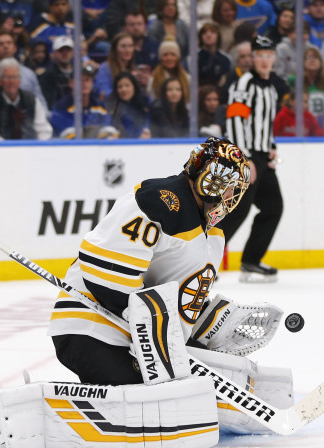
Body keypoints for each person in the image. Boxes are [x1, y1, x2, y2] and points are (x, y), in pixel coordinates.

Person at [44, 136, 293, 438]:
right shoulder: (160, 200)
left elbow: (177, 303)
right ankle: (57, 421)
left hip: (134, 340)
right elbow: (104, 272)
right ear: (212, 182)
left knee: (189, 397)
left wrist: (215, 323)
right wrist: (154, 332)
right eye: (229, 188)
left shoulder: (211, 235)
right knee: (159, 406)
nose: (231, 196)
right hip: (91, 329)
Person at [222, 35, 284, 283]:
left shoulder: (270, 88)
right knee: (238, 210)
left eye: (269, 56)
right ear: (253, 58)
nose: (265, 60)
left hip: (261, 155)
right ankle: (202, 261)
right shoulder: (244, 84)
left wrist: (271, 147)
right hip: (246, 155)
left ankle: (250, 260)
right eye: (260, 56)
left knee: (273, 207)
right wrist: (244, 158)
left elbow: (264, 124)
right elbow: (235, 120)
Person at [0, 58, 53, 140]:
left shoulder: (32, 100)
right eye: (7, 78)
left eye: (15, 77)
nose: (12, 81)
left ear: (20, 80)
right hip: (1, 150)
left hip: (30, 148)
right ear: (0, 81)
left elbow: (43, 130)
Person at [0, 30, 46, 107]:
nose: (5, 46)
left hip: (29, 114)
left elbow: (40, 99)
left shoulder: (29, 73)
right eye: (1, 44)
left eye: (9, 43)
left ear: (15, 48)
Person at [52, 64, 117, 139]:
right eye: (80, 80)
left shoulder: (100, 105)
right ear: (71, 83)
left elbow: (108, 128)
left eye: (87, 80)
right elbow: (67, 135)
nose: (84, 84)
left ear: (92, 83)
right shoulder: (61, 107)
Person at [287, 47, 324, 120]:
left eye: (316, 57)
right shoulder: (295, 80)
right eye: (308, 57)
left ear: (321, 63)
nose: (312, 60)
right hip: (302, 121)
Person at [105, 71, 151, 139]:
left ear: (134, 87)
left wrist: (146, 131)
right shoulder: (110, 106)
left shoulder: (145, 102)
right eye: (120, 87)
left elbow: (150, 124)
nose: (124, 89)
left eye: (127, 85)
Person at [95, 32, 136, 99]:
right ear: (115, 49)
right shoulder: (105, 68)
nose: (128, 50)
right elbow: (103, 93)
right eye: (123, 46)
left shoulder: (134, 69)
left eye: (130, 46)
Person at [197, 22, 232, 90]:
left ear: (218, 36)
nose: (208, 35)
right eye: (205, 33)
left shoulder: (225, 59)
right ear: (201, 36)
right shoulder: (193, 59)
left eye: (213, 32)